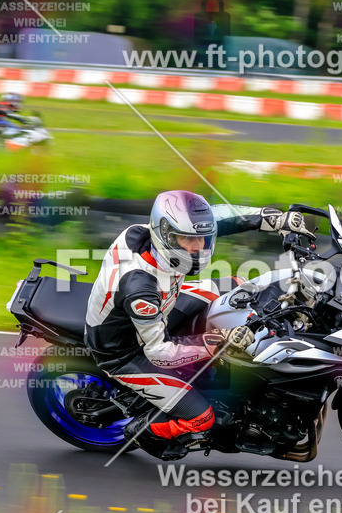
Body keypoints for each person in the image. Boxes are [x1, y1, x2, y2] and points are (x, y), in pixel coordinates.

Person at [84, 190, 312, 456]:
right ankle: (143, 433)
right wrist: (220, 340)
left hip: (163, 303)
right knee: (202, 418)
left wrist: (275, 219)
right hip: (127, 352)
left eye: (203, 238)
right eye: (188, 240)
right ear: (166, 235)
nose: (199, 247)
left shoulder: (154, 234)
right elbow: (159, 352)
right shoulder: (140, 289)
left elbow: (224, 217)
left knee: (243, 288)